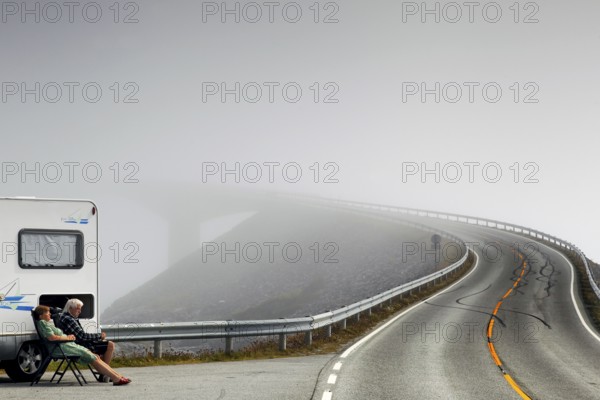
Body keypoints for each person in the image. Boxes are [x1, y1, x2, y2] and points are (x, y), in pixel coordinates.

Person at [34, 305, 131, 386]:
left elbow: (55, 336)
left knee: (95, 357)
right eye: (47, 313)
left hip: (66, 346)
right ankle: (116, 378)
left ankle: (117, 376)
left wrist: (67, 337)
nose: (50, 314)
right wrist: (68, 338)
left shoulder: (45, 323)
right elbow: (52, 338)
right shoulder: (43, 323)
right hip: (60, 348)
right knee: (93, 357)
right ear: (41, 315)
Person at [59, 299, 115, 366]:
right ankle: (105, 373)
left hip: (77, 344)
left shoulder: (65, 317)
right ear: (70, 308)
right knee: (110, 345)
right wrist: (99, 336)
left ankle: (104, 372)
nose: (80, 311)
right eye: (78, 309)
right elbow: (82, 336)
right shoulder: (69, 319)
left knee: (102, 354)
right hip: (80, 346)